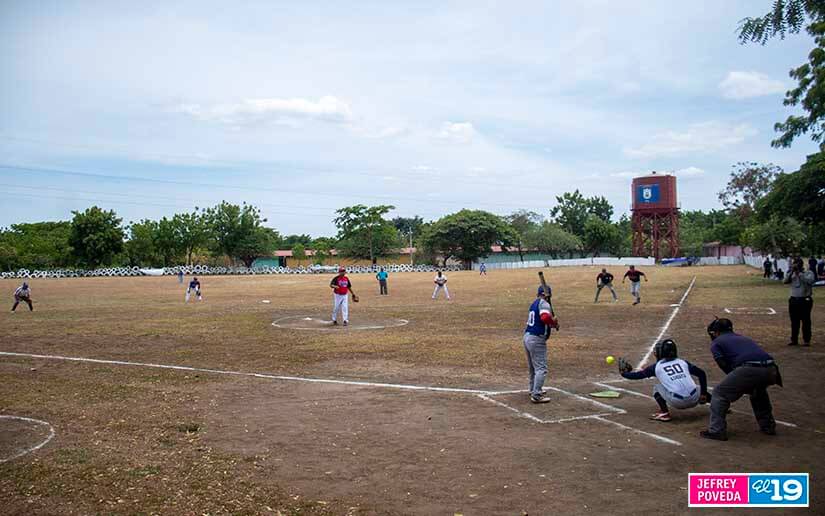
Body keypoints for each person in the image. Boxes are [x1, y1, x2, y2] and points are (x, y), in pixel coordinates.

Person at [701, 318, 782, 441]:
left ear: (716, 332)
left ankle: (717, 430)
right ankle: (768, 426)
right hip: (772, 370)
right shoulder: (743, 338)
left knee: (719, 393)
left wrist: (739, 383)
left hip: (750, 369)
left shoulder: (717, 342)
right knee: (758, 391)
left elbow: (723, 364)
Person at [618, 339, 709, 422]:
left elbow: (637, 376)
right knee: (696, 387)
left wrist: (624, 373)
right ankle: (715, 404)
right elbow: (701, 373)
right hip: (695, 398)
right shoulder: (683, 362)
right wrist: (703, 393)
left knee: (657, 388)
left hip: (677, 402)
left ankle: (664, 413)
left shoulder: (656, 367)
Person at [523, 285, 559, 403]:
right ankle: (536, 394)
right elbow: (544, 317)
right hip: (536, 339)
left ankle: (533, 389)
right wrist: (553, 322)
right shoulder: (544, 304)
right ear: (548, 294)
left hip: (527, 337)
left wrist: (552, 324)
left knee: (533, 368)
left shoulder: (535, 303)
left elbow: (541, 319)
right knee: (541, 368)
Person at [785, 257, 815, 347]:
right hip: (794, 300)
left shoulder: (808, 273)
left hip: (805, 300)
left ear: (801, 265)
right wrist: (792, 272)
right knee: (794, 321)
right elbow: (785, 281)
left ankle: (806, 340)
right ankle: (794, 339)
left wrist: (799, 274)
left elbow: (810, 281)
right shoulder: (791, 273)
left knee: (806, 320)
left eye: (797, 264)